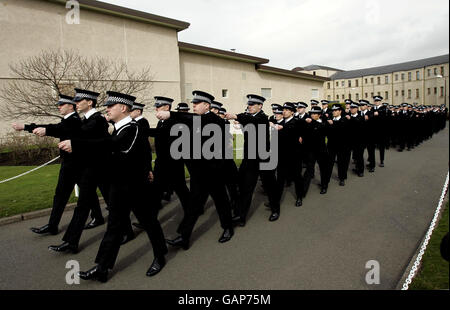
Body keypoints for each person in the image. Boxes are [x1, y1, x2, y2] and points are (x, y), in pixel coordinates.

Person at [59, 91, 168, 282]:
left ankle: (160, 256)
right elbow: (140, 153)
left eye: (110, 106)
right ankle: (102, 268)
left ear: (123, 108)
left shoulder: (132, 129)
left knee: (150, 222)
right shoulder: (118, 128)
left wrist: (76, 144)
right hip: (119, 186)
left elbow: (114, 145)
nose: (106, 109)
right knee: (114, 226)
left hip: (136, 187)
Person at [160, 90, 234, 250]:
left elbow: (191, 118)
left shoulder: (214, 120)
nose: (193, 105)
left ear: (206, 105)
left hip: (214, 172)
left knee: (221, 202)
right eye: (193, 103)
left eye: (196, 103)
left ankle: (228, 228)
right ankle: (184, 237)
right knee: (193, 206)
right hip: (199, 173)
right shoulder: (196, 120)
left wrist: (171, 114)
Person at [49, 88, 108, 254]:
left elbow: (88, 138)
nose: (75, 103)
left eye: (78, 100)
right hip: (89, 169)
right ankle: (71, 242)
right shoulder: (87, 119)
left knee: (113, 203)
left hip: (101, 169)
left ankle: (128, 230)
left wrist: (73, 142)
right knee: (82, 206)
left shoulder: (97, 120)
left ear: (89, 102)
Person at [12, 94, 82, 235]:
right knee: (73, 195)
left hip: (74, 165)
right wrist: (28, 127)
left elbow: (57, 129)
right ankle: (53, 225)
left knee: (63, 195)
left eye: (62, 104)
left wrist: (27, 127)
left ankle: (53, 226)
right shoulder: (69, 120)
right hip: (71, 164)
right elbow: (56, 127)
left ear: (71, 106)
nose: (59, 107)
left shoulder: (74, 120)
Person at [225, 94, 277, 226]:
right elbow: (247, 120)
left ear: (260, 106)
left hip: (263, 158)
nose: (250, 106)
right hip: (250, 158)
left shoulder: (262, 118)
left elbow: (252, 121)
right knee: (246, 188)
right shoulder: (249, 117)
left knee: (270, 186)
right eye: (249, 104)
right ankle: (241, 217)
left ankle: (275, 210)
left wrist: (236, 117)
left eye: (253, 104)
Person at [272, 102, 304, 214]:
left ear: (292, 112)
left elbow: (287, 129)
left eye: (287, 110)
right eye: (283, 109)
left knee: (297, 177)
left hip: (294, 156)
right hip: (282, 156)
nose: (284, 111)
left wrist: (276, 126)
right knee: (279, 180)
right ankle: (276, 202)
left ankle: (299, 197)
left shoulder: (295, 122)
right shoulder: (281, 122)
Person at [302, 106, 330, 195]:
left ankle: (324, 186)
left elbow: (322, 129)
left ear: (319, 115)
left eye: (314, 114)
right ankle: (303, 191)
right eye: (311, 114)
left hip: (321, 150)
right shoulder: (308, 123)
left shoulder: (324, 123)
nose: (312, 115)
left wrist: (312, 122)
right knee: (309, 170)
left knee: (323, 169)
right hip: (311, 151)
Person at [326, 104, 351, 186]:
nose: (334, 112)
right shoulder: (329, 121)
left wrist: (333, 124)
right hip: (331, 145)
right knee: (329, 163)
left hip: (342, 146)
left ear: (340, 111)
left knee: (341, 163)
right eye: (333, 110)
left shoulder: (345, 120)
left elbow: (342, 131)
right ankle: (326, 180)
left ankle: (342, 178)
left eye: (336, 110)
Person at [347, 101, 365, 177]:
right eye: (351, 108)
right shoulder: (347, 116)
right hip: (349, 140)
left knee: (359, 156)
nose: (352, 109)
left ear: (357, 109)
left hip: (359, 140)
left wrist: (350, 118)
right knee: (349, 156)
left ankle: (360, 171)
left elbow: (358, 122)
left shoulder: (360, 116)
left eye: (353, 108)